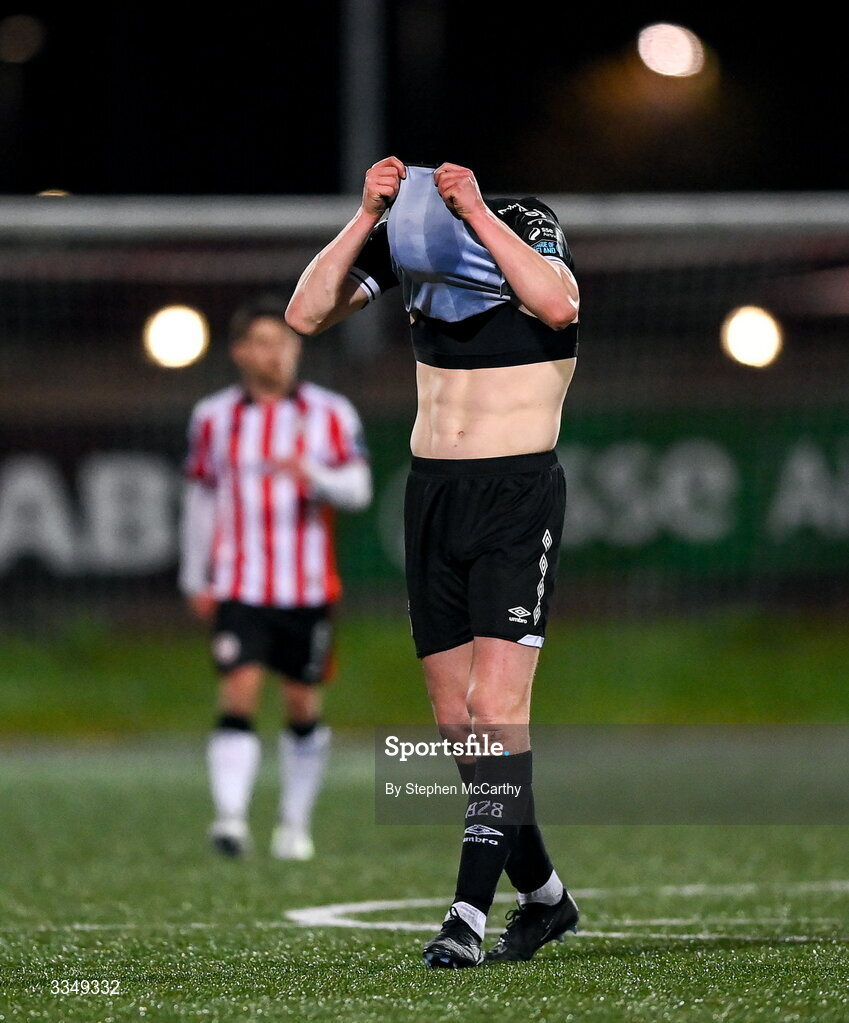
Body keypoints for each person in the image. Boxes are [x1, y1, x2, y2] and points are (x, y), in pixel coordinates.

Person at [286, 158, 581, 967]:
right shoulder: (407, 248)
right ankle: (547, 897)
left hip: (515, 499)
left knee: (495, 716)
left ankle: (464, 918)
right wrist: (363, 219)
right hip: (432, 500)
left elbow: (557, 302)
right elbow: (305, 313)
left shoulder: (519, 225)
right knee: (460, 731)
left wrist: (475, 210)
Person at [178, 293, 372, 861]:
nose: (278, 353)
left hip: (306, 588)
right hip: (241, 584)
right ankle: (231, 820)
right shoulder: (214, 417)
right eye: (264, 342)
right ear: (240, 352)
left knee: (301, 704)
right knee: (237, 690)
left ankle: (293, 823)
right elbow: (200, 500)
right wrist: (196, 578)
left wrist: (311, 474)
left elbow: (358, 490)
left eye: (286, 341)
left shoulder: (331, 413)